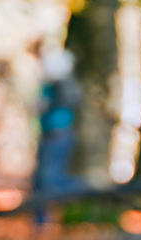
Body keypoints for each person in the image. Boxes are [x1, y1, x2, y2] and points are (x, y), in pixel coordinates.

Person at [33, 47, 82, 227]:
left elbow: (72, 98)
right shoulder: (48, 85)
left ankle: (90, 190)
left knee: (51, 180)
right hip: (47, 135)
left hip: (59, 136)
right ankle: (40, 222)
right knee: (40, 181)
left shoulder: (64, 85)